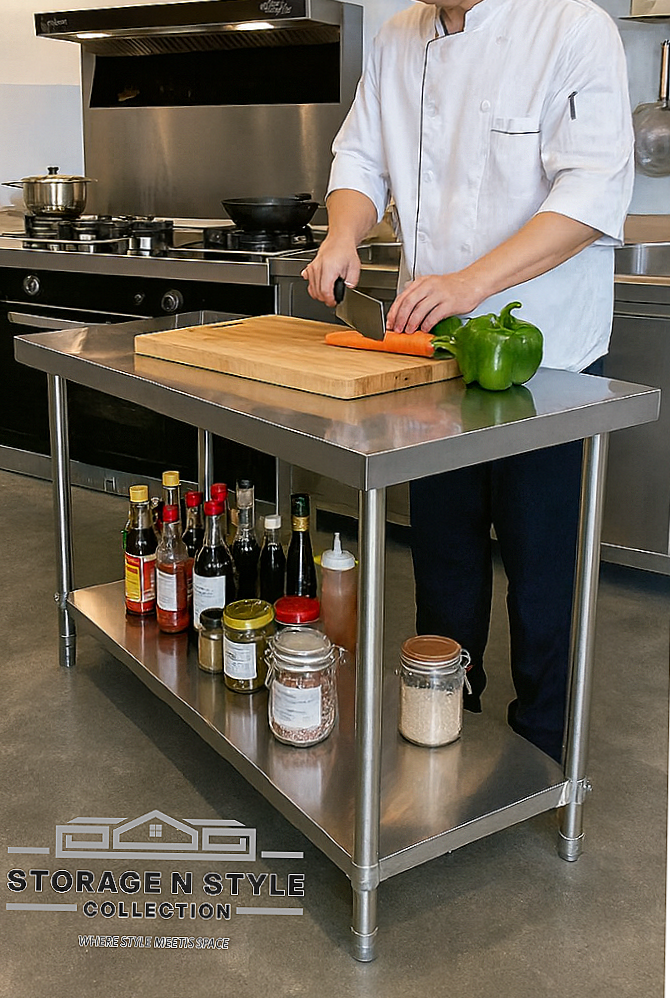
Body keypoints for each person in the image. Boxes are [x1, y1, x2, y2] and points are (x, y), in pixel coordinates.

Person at [301, 0, 635, 763]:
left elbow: (587, 197)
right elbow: (360, 161)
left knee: (542, 571)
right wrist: (344, 233)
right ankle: (443, 723)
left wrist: (472, 283)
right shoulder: (397, 39)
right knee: (444, 556)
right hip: (435, 353)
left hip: (546, 360)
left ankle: (544, 749)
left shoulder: (573, 28)